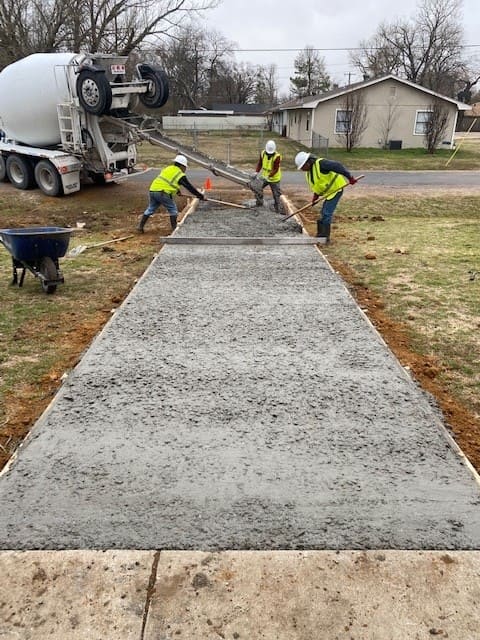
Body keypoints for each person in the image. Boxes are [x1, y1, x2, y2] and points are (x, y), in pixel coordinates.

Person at [294, 151, 358, 242]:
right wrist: (315, 196)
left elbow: (338, 166)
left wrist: (349, 177)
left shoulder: (321, 164)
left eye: (302, 167)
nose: (302, 169)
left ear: (307, 162)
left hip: (336, 189)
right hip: (329, 192)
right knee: (324, 212)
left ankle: (324, 238)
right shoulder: (309, 172)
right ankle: (320, 235)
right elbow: (318, 184)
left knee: (326, 212)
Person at [137, 154, 205, 232]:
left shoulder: (168, 169)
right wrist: (200, 196)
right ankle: (174, 229)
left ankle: (140, 227)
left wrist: (178, 191)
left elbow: (168, 181)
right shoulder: (180, 174)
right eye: (185, 167)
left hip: (153, 190)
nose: (185, 169)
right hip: (163, 193)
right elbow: (189, 187)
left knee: (150, 209)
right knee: (173, 210)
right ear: (182, 166)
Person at [254, 139, 283, 212]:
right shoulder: (263, 153)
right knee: (257, 188)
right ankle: (259, 204)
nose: (269, 154)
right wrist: (256, 172)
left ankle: (278, 210)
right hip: (265, 178)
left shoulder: (277, 156)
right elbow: (260, 163)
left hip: (274, 179)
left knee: (276, 195)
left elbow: (275, 169)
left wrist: (269, 175)